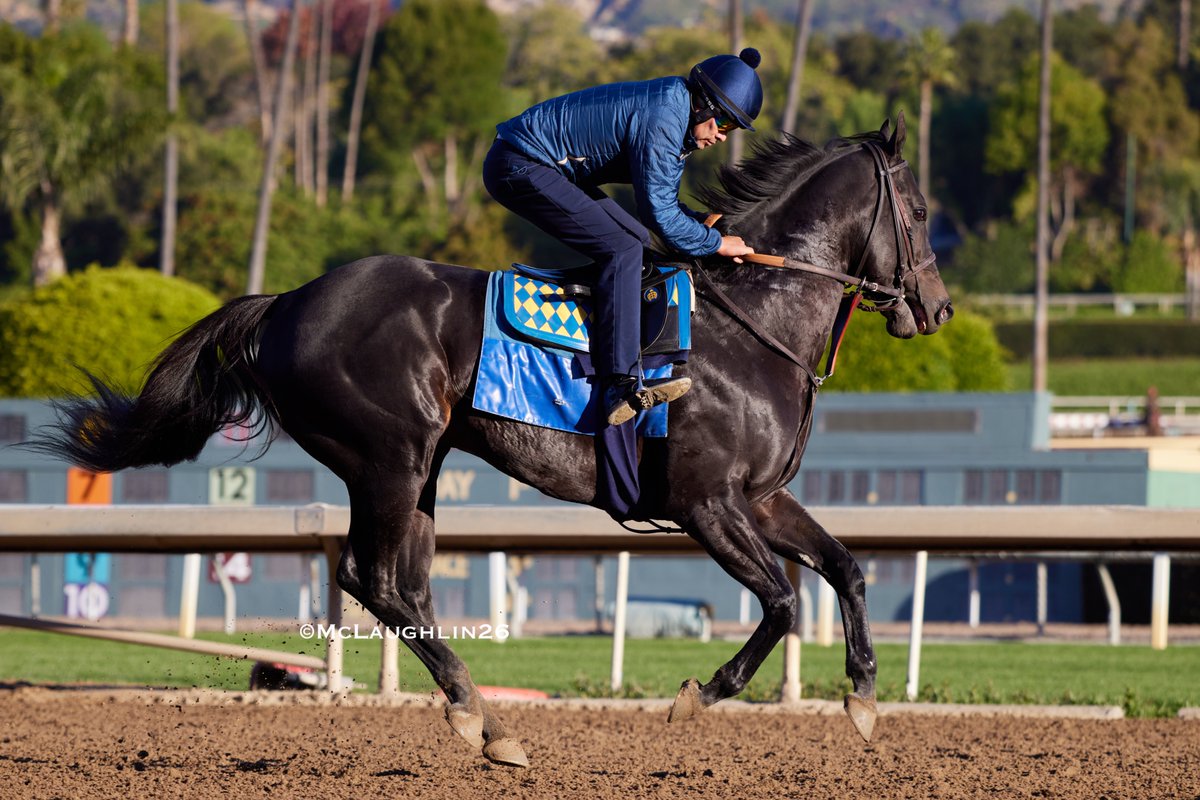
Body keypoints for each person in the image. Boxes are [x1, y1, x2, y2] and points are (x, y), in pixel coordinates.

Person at [483, 48, 763, 427]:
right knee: (624, 248)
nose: (722, 137)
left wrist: (701, 222)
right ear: (703, 107)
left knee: (636, 239)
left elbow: (660, 203)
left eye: (731, 130)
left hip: (539, 164)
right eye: (724, 124)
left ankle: (604, 333)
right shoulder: (665, 117)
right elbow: (660, 215)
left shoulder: (676, 110)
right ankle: (620, 382)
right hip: (519, 163)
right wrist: (716, 244)